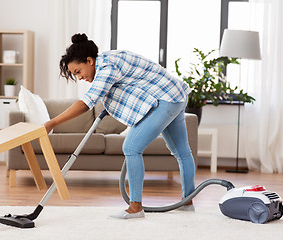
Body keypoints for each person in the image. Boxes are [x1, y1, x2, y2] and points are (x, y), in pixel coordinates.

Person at [44, 33, 196, 219]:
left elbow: (87, 102)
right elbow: (131, 84)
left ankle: (135, 208)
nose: (80, 77)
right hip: (176, 94)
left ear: (89, 61)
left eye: (78, 71)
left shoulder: (106, 68)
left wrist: (52, 122)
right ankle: (187, 202)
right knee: (182, 152)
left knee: (131, 147)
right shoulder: (110, 59)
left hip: (165, 99)